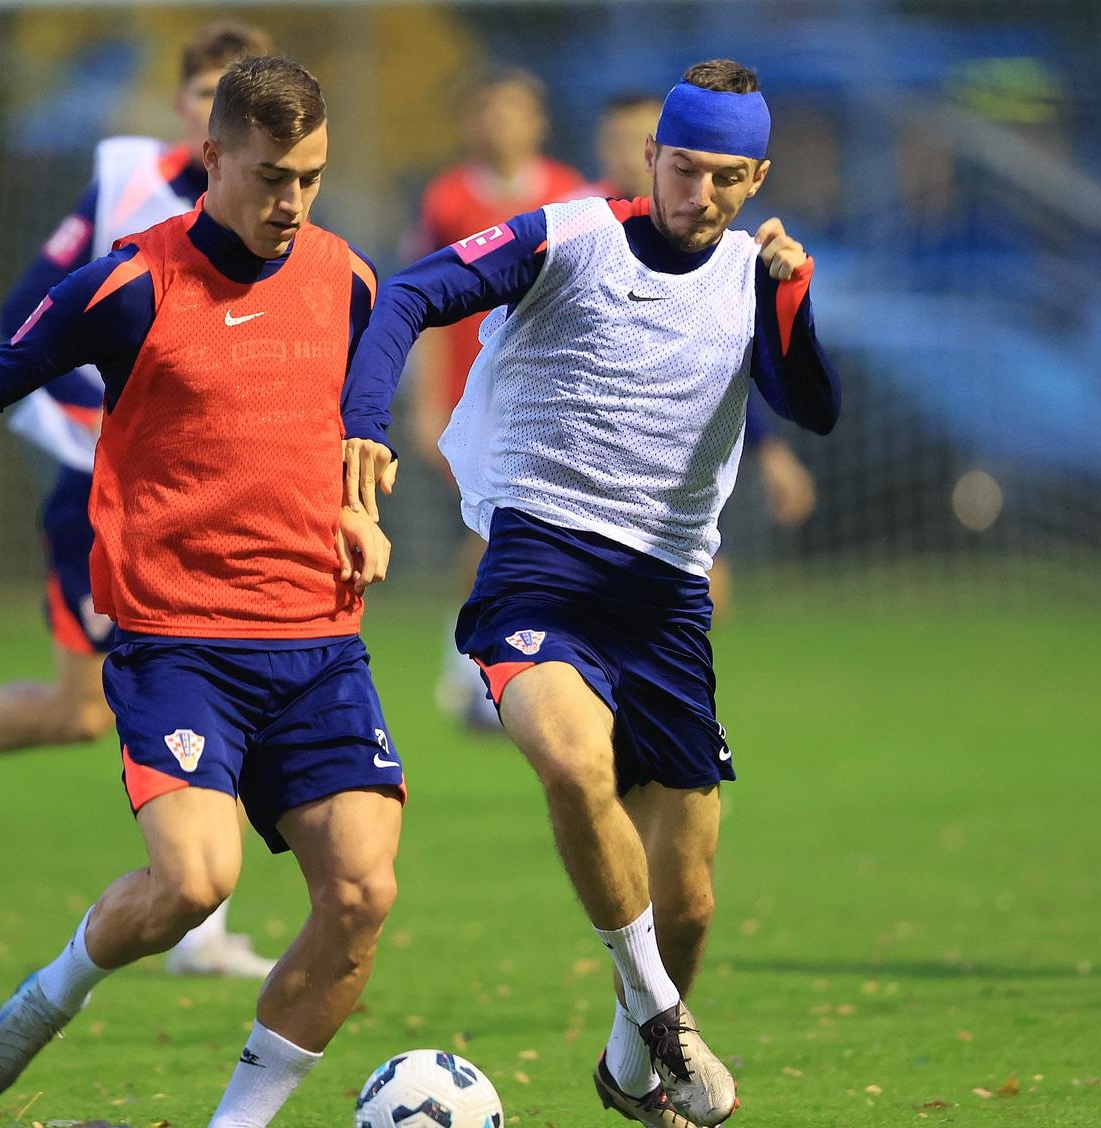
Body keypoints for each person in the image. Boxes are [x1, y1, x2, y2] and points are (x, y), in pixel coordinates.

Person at [0, 57, 406, 1126]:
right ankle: (49, 995)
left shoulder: (345, 277)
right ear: (211, 161)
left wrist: (357, 506)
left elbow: (341, 422)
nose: (291, 202)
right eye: (270, 176)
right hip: (179, 645)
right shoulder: (130, 283)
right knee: (194, 886)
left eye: (312, 178)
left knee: (360, 897)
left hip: (320, 647)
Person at [341, 60, 841, 1127]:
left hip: (664, 604)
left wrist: (791, 292)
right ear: (649, 155)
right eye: (681, 167)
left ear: (754, 179)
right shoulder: (565, 237)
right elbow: (409, 294)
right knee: (571, 762)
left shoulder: (756, 276)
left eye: (723, 178)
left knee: (691, 899)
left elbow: (812, 405)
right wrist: (363, 424)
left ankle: (626, 1068)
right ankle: (663, 1018)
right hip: (538, 566)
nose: (695, 194)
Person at [0, 23, 280, 979]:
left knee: (224, 664)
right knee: (83, 709)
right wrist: (97, 421)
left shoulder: (289, 219)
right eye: (216, 94)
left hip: (213, 499)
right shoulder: (129, 188)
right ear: (188, 110)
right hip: (106, 494)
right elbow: (27, 318)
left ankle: (200, 929)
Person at [590, 90, 819, 619]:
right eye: (620, 140)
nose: (628, 153)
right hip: (590, 474)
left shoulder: (714, 249)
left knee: (708, 600)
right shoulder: (575, 233)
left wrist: (773, 453)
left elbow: (727, 366)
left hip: (679, 473)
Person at [411, 66, 585, 728]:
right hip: (473, 395)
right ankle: (473, 665)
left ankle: (502, 659)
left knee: (522, 526)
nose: (502, 123)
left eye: (515, 110)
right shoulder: (448, 199)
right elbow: (426, 307)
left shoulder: (571, 194)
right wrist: (429, 401)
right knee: (492, 526)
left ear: (538, 121)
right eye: (491, 110)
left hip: (549, 395)